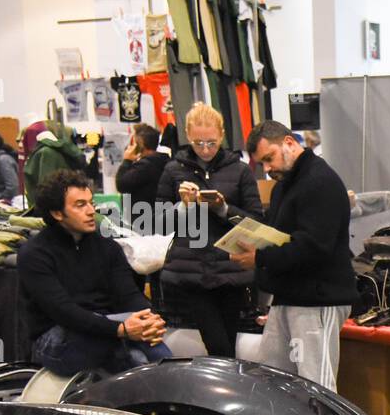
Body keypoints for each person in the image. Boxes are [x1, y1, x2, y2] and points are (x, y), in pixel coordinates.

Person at [235, 120, 356, 391]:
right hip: (288, 297)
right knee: (272, 382)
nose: (268, 169)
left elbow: (314, 247)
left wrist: (260, 258)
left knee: (317, 389)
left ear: (289, 143)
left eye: (269, 159)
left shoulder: (320, 181)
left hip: (319, 299)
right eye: (262, 164)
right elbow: (278, 237)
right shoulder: (283, 187)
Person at [18, 169, 171, 376]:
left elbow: (129, 295)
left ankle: (171, 390)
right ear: (57, 213)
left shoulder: (108, 248)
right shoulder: (34, 254)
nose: (91, 211)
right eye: (80, 205)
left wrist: (149, 318)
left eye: (91, 203)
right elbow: (64, 312)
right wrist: (121, 329)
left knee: (144, 352)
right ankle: (169, 388)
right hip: (54, 338)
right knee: (136, 355)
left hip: (103, 327)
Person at [156, 103, 263, 358]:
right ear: (187, 136)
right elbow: (157, 223)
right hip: (191, 272)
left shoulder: (239, 170)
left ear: (222, 135)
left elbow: (256, 221)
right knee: (219, 347)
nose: (205, 149)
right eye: (198, 143)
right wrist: (182, 207)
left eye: (211, 143)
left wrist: (223, 208)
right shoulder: (173, 170)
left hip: (231, 268)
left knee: (226, 344)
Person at [23, 121, 85, 206]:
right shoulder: (64, 152)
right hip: (65, 206)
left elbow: (45, 188)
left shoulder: (46, 153)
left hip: (47, 210)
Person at [115, 123, 169, 209]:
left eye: (133, 142)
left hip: (142, 218)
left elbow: (121, 184)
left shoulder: (144, 166)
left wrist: (127, 160)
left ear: (140, 144)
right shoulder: (163, 162)